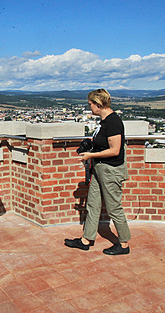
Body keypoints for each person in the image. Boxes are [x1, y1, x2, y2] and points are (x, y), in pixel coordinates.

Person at [64, 89, 131, 255]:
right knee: (92, 204)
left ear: (99, 104)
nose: (89, 108)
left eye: (90, 104)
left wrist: (90, 155)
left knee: (114, 208)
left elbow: (115, 150)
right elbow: (104, 142)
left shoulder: (113, 122)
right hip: (100, 169)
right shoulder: (104, 122)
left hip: (110, 171)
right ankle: (86, 240)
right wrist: (92, 143)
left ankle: (124, 244)